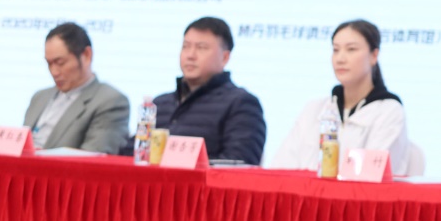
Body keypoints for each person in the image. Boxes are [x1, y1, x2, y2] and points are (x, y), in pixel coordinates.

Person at [270, 19, 410, 174]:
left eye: (351, 49)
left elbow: (371, 175)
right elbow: (280, 169)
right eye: (336, 50)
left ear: (374, 55)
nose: (340, 59)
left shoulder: (389, 111)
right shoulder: (315, 109)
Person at [153, 17, 265, 165]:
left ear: (225, 58)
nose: (190, 55)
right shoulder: (160, 103)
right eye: (185, 46)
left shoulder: (241, 104)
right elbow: (133, 154)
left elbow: (239, 164)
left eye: (201, 48)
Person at [23, 22, 131, 154]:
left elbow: (92, 157)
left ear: (86, 55)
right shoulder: (40, 97)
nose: (54, 71)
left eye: (60, 62)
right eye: (49, 63)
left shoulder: (111, 101)